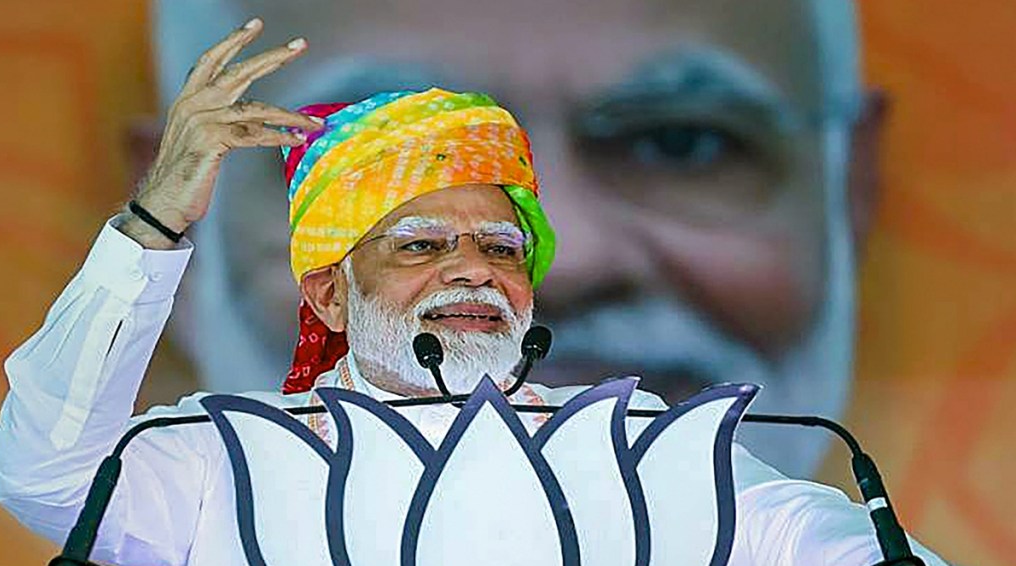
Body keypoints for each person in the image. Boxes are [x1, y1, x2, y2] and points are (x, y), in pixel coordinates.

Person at [0, 24, 952, 566]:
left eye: (502, 246)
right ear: (329, 294)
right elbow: (44, 470)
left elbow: (840, 551)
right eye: (420, 244)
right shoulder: (231, 458)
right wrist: (155, 223)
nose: (472, 269)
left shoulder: (650, 452)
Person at [149, 0, 885, 479]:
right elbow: (44, 473)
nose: (556, 266)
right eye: (389, 171)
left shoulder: (783, 525)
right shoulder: (171, 492)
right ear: (191, 219)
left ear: (851, 184)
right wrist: (142, 236)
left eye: (680, 143)